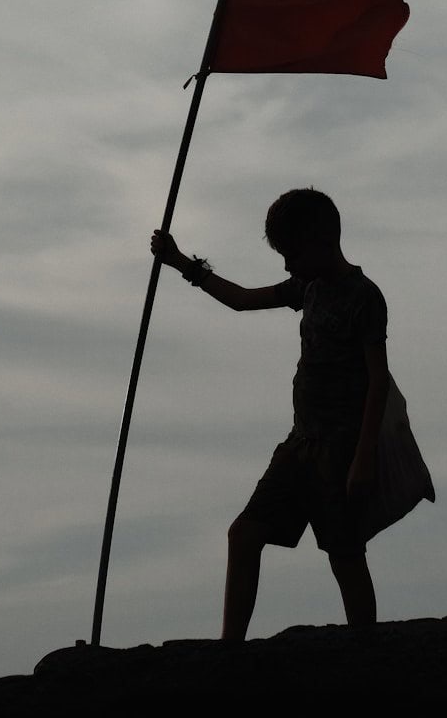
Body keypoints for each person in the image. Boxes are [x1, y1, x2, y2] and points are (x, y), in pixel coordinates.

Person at [150, 187, 389, 641]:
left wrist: (363, 457)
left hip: (341, 450)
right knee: (244, 535)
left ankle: (366, 648)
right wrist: (181, 263)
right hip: (299, 446)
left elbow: (378, 382)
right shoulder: (308, 287)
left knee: (345, 554)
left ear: (320, 240)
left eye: (290, 253)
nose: (286, 265)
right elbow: (241, 299)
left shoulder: (364, 297)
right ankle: (230, 647)